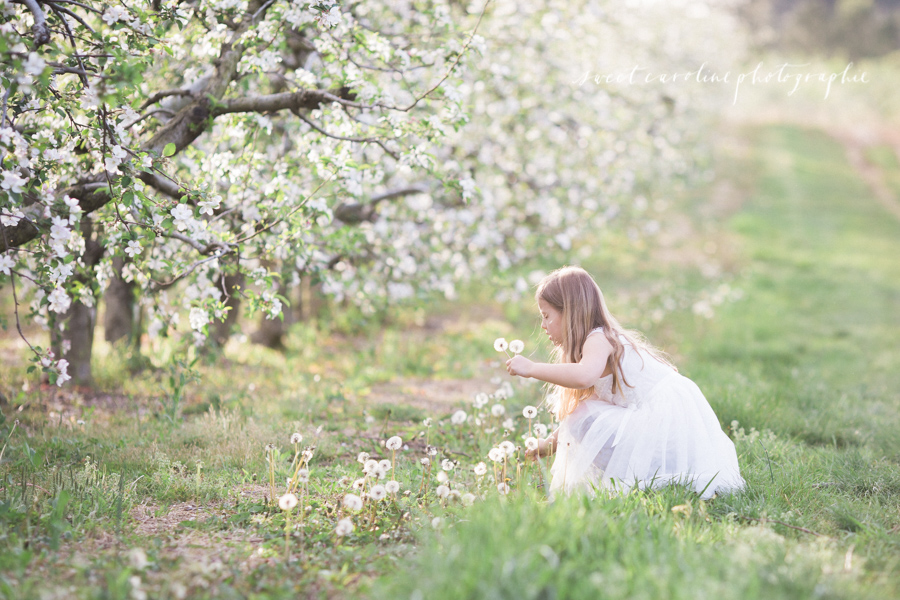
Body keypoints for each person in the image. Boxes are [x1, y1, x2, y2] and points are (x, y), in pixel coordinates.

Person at [506, 266, 744, 499]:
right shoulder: (598, 343)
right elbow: (577, 412)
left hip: (665, 422)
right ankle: (649, 474)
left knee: (585, 414)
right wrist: (549, 444)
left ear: (569, 312)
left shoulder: (597, 340)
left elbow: (583, 378)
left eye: (546, 316)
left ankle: (637, 476)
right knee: (583, 412)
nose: (543, 325)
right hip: (661, 423)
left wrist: (532, 369)